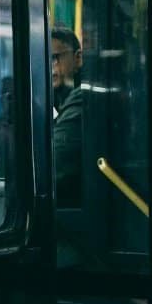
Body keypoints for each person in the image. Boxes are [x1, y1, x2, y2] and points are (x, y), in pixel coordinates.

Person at [51, 26, 84, 210]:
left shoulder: (83, 97)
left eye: (55, 58)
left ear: (78, 58)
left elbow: (56, 166)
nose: (51, 68)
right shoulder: (57, 100)